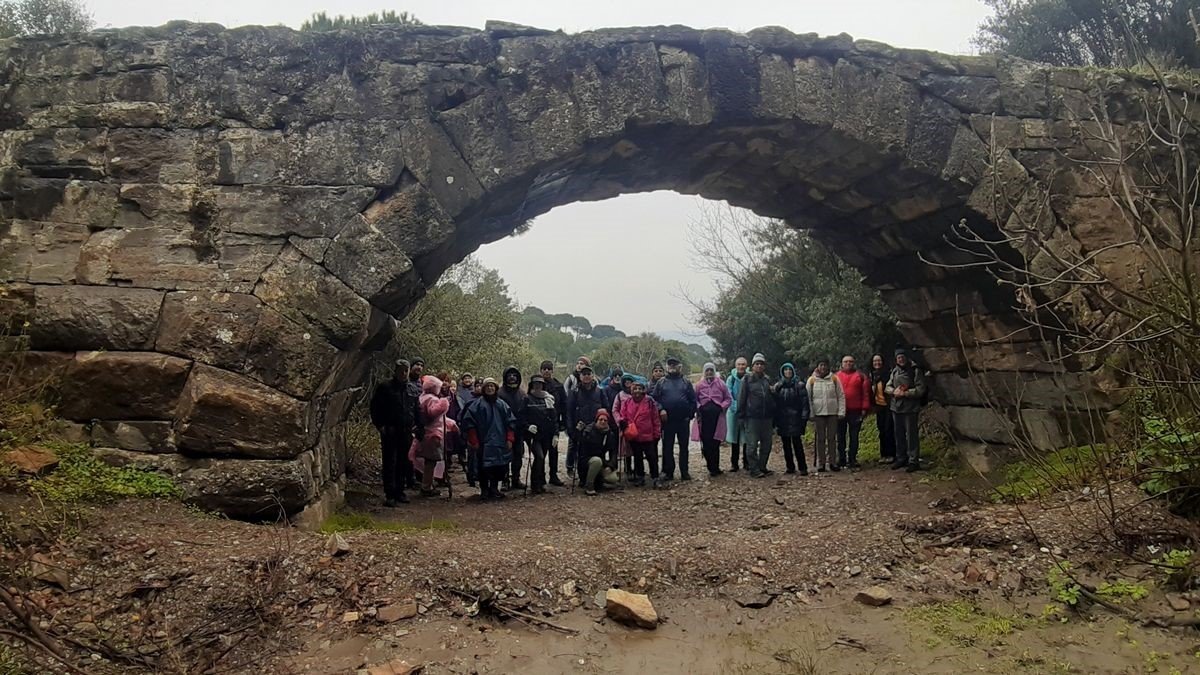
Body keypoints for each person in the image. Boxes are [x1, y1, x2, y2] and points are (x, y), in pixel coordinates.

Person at [461, 377, 516, 501]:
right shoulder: (477, 405)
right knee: (483, 467)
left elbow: (510, 422)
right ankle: (484, 490)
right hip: (483, 443)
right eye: (487, 386)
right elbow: (470, 423)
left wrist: (510, 438)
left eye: (492, 386)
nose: (490, 388)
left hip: (500, 443)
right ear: (484, 389)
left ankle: (494, 488)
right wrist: (473, 440)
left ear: (495, 388)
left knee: (499, 467)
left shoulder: (502, 404)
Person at [368, 360, 412, 506]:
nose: (403, 373)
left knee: (403, 461)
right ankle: (390, 493)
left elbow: (414, 407)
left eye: (406, 370)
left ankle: (400, 491)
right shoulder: (385, 387)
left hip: (405, 430)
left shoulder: (409, 388)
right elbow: (375, 407)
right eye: (401, 370)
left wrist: (417, 425)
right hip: (390, 430)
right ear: (396, 370)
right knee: (390, 462)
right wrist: (380, 425)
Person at [652, 356, 697, 481]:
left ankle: (684, 471)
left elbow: (693, 400)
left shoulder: (686, 382)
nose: (672, 367)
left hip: (683, 420)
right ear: (667, 367)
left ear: (679, 366)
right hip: (667, 421)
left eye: (674, 364)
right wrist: (661, 409)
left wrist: (690, 415)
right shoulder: (661, 382)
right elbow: (654, 399)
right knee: (667, 447)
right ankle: (668, 472)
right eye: (670, 365)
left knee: (684, 447)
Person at [886, 348, 927, 473]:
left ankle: (913, 460)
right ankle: (901, 458)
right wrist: (893, 391)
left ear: (906, 357)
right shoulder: (894, 371)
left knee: (911, 435)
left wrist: (905, 393)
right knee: (898, 435)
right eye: (898, 358)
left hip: (910, 408)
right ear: (896, 359)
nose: (901, 359)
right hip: (896, 408)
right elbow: (888, 386)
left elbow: (921, 389)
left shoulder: (915, 370)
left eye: (902, 357)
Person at [565, 364, 607, 486]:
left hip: (597, 428)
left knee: (599, 452)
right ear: (580, 376)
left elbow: (606, 409)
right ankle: (583, 479)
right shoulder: (574, 392)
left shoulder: (600, 391)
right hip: (581, 429)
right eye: (584, 374)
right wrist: (571, 430)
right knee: (581, 454)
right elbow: (569, 412)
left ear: (593, 376)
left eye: (589, 374)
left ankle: (597, 478)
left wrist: (605, 425)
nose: (587, 376)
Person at [737, 353, 775, 478]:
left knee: (767, 445)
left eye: (761, 364)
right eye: (757, 364)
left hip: (767, 418)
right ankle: (754, 469)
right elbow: (741, 398)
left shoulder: (767, 379)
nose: (759, 366)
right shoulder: (747, 380)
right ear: (752, 366)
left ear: (764, 366)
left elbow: (772, 398)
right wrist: (741, 416)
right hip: (752, 417)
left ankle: (762, 466)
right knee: (752, 445)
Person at [618, 380, 662, 487]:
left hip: (648, 435)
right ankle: (640, 476)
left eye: (639, 388)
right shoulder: (627, 402)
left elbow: (655, 418)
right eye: (635, 389)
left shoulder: (649, 401)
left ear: (643, 390)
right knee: (637, 457)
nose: (637, 391)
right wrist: (623, 425)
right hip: (634, 434)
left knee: (652, 457)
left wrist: (657, 433)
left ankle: (655, 477)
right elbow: (623, 415)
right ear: (631, 391)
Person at [691, 362, 731, 477]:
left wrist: (721, 406)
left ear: (714, 371)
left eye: (711, 371)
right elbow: (695, 399)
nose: (709, 373)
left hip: (717, 417)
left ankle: (716, 467)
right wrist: (699, 407)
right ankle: (710, 466)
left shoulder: (721, 384)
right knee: (706, 442)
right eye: (707, 370)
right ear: (704, 372)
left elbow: (728, 398)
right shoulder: (699, 385)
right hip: (704, 418)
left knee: (716, 442)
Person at [807, 358, 845, 473]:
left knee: (832, 438)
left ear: (828, 366)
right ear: (817, 366)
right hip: (818, 413)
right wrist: (811, 413)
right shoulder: (812, 380)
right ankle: (821, 463)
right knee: (820, 439)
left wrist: (841, 411)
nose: (823, 367)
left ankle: (833, 462)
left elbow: (841, 396)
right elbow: (808, 398)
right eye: (821, 365)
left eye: (825, 365)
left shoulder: (834, 379)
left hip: (832, 413)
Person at [415, 375, 450, 497]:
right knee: (431, 461)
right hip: (433, 434)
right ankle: (426, 487)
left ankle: (428, 484)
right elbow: (433, 413)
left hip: (427, 432)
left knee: (430, 461)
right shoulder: (431, 399)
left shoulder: (423, 397)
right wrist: (444, 403)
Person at [772, 362, 810, 475]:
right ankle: (790, 467)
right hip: (783, 419)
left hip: (796, 418)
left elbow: (804, 403)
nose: (788, 372)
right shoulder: (778, 386)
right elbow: (775, 404)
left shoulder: (799, 385)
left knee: (797, 444)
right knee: (786, 445)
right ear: (782, 372)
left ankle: (803, 467)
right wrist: (775, 420)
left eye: (790, 370)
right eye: (785, 370)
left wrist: (804, 417)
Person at [835, 355, 872, 470]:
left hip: (856, 411)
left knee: (854, 436)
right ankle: (841, 458)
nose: (848, 364)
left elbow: (866, 394)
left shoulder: (861, 376)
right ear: (841, 363)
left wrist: (865, 408)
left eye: (851, 362)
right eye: (846, 362)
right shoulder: (836, 376)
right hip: (840, 410)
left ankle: (852, 458)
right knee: (840, 436)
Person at [523, 376, 557, 494]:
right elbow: (521, 417)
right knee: (539, 457)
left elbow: (553, 419)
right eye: (535, 383)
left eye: (540, 384)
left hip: (546, 435)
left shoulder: (548, 399)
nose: (538, 386)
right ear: (531, 385)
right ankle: (534, 484)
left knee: (542, 458)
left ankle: (541, 483)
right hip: (533, 436)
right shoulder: (527, 399)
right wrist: (527, 426)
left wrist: (555, 434)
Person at [497, 366, 528, 491]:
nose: (512, 377)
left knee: (518, 455)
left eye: (515, 375)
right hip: (504, 430)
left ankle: (516, 478)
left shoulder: (522, 393)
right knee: (505, 456)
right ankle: (505, 480)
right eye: (509, 375)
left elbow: (526, 412)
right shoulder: (500, 393)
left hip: (519, 430)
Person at [538, 361, 568, 486]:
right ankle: (540, 476)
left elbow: (564, 405)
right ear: (540, 370)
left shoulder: (558, 386)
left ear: (552, 371)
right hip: (540, 424)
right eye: (544, 369)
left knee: (554, 450)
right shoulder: (537, 385)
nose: (546, 371)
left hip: (554, 423)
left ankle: (553, 475)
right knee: (541, 452)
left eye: (549, 369)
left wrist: (564, 422)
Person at [578, 409, 620, 495]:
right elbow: (584, 450)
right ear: (596, 420)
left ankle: (599, 482)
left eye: (605, 420)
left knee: (613, 478)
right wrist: (579, 432)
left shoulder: (609, 434)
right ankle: (589, 485)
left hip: (601, 461)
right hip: (587, 461)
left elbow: (614, 452)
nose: (603, 422)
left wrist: (610, 466)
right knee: (597, 461)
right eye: (601, 419)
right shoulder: (588, 431)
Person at [403, 358, 426, 489]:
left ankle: (416, 477)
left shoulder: (421, 383)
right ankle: (408, 478)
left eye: (421, 365)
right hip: (407, 421)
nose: (419, 367)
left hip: (418, 420)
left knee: (417, 452)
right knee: (407, 452)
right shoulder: (406, 382)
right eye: (417, 364)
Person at [869, 354, 895, 464]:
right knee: (881, 430)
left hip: (889, 405)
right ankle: (883, 454)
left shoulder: (888, 374)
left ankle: (892, 454)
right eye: (875, 361)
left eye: (879, 360)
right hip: (878, 406)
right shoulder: (872, 376)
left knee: (889, 430)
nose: (877, 363)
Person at [725, 356, 749, 472]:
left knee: (746, 438)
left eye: (743, 364)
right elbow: (728, 394)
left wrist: (744, 409)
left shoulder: (749, 377)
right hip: (733, 411)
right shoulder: (731, 379)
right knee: (734, 438)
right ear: (735, 366)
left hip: (747, 412)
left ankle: (746, 462)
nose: (741, 366)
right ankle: (734, 463)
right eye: (739, 364)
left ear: (746, 366)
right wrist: (736, 408)